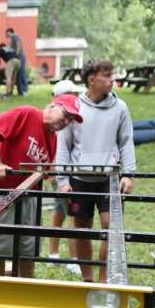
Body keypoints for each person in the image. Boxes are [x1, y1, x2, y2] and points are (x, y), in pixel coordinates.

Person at [0, 93, 83, 281]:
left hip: (29, 198)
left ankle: (25, 291)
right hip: (3, 192)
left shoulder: (53, 138)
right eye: (65, 114)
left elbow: (46, 169)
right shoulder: (27, 114)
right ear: (52, 106)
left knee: (28, 248)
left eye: (70, 119)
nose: (67, 121)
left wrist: (60, 186)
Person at [57, 59, 136, 283]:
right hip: (79, 178)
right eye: (107, 75)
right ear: (92, 79)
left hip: (109, 179)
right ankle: (88, 280)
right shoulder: (74, 108)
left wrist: (128, 174)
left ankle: (103, 280)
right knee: (82, 230)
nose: (112, 79)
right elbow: (64, 145)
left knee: (110, 228)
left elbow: (126, 141)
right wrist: (63, 179)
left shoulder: (120, 107)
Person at [49, 80, 86, 275]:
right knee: (74, 217)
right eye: (72, 94)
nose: (77, 98)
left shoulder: (67, 119)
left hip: (61, 174)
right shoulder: (62, 121)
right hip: (65, 176)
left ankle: (53, 255)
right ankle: (73, 260)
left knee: (59, 214)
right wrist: (61, 177)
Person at [6, 27, 28, 96]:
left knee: (21, 73)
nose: (5, 35)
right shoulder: (12, 39)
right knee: (17, 74)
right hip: (17, 57)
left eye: (6, 33)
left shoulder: (14, 36)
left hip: (20, 56)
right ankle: (20, 91)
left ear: (9, 32)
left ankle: (24, 90)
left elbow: (18, 44)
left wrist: (17, 55)